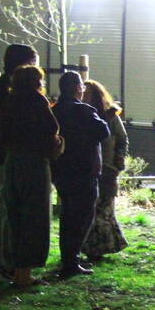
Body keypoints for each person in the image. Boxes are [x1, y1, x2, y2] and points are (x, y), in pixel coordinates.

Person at [1, 64, 62, 287]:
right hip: (34, 162)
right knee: (33, 216)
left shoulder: (8, 102)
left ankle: (16, 269)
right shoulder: (37, 102)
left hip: (12, 161)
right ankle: (25, 274)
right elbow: (51, 128)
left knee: (15, 214)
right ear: (36, 82)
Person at [0, 44, 39, 277]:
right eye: (33, 63)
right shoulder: (8, 90)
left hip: (0, 154)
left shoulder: (2, 87)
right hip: (4, 156)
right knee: (8, 208)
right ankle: (3, 259)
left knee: (4, 207)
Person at [52, 71, 110, 279]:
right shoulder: (84, 110)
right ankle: (72, 260)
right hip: (85, 169)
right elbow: (103, 132)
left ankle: (67, 257)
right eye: (82, 87)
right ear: (77, 88)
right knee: (83, 215)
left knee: (68, 214)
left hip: (62, 169)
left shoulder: (55, 110)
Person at [81, 80, 129, 261]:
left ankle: (99, 248)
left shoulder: (110, 116)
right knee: (91, 210)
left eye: (87, 92)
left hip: (107, 169)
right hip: (88, 169)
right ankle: (92, 247)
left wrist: (118, 161)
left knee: (104, 210)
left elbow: (122, 139)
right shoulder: (80, 114)